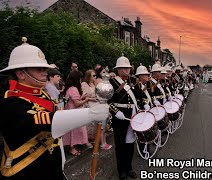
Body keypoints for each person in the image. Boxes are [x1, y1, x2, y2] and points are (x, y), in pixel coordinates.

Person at [0, 38, 109, 179]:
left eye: (45, 68)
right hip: (28, 171)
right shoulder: (10, 103)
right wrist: (90, 114)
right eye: (39, 69)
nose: (45, 72)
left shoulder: (42, 94)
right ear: (21, 74)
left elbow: (54, 137)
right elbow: (47, 122)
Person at [107, 55, 139, 180]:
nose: (127, 70)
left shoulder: (132, 81)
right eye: (124, 68)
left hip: (132, 116)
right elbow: (107, 101)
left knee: (130, 144)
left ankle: (129, 167)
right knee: (120, 145)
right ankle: (122, 171)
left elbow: (137, 98)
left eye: (128, 67)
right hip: (120, 118)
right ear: (118, 69)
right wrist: (115, 112)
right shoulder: (112, 82)